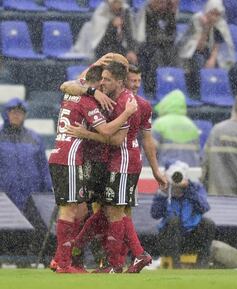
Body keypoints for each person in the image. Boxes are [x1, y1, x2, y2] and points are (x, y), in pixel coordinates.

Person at [66, 61, 167, 273]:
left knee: (116, 212)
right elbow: (69, 85)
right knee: (108, 211)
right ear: (125, 81)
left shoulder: (132, 104)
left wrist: (156, 169)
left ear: (118, 81)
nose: (136, 84)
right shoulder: (112, 97)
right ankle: (85, 251)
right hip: (107, 161)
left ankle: (117, 262)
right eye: (133, 80)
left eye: (139, 81)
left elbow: (124, 139)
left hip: (123, 162)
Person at [48, 65, 138, 273]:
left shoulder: (72, 94)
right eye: (103, 82)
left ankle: (67, 259)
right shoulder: (88, 101)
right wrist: (127, 113)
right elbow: (107, 131)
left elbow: (70, 84)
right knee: (70, 209)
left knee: (79, 210)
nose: (104, 87)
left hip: (65, 155)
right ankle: (62, 263)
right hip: (68, 158)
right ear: (97, 84)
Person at [151, 160, 215, 268]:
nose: (177, 180)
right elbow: (155, 214)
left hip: (191, 238)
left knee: (208, 223)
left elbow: (204, 207)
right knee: (173, 221)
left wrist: (188, 189)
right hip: (169, 240)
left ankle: (201, 266)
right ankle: (176, 266)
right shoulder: (164, 190)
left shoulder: (194, 187)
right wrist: (163, 193)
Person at [0, 98, 52, 211]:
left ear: (25, 115)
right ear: (6, 113)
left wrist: (47, 192)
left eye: (20, 112)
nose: (16, 115)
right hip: (3, 199)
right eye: (13, 111)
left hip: (31, 198)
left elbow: (43, 168)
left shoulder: (35, 138)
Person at [177, 0, 235, 96]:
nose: (215, 17)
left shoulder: (220, 23)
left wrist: (212, 59)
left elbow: (218, 44)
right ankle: (202, 92)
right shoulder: (197, 19)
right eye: (213, 13)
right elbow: (198, 47)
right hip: (193, 52)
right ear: (207, 11)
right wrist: (206, 28)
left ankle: (218, 92)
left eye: (218, 15)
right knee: (199, 60)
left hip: (210, 51)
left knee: (224, 64)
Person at [134, 0, 179, 95]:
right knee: (155, 54)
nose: (161, 5)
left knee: (174, 53)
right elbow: (149, 36)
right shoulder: (147, 13)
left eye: (163, 2)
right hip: (147, 46)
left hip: (165, 46)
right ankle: (154, 87)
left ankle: (171, 85)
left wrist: (163, 40)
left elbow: (173, 34)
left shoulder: (169, 14)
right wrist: (162, 40)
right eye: (159, 2)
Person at [71, 0, 138, 63]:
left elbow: (130, 34)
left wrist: (131, 50)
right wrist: (111, 26)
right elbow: (99, 42)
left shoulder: (125, 11)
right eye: (115, 2)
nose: (117, 6)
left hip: (120, 51)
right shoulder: (101, 13)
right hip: (103, 52)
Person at [152, 89, 201, 167]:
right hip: (189, 174)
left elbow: (149, 153)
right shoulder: (192, 126)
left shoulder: (159, 124)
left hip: (166, 174)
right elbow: (197, 155)